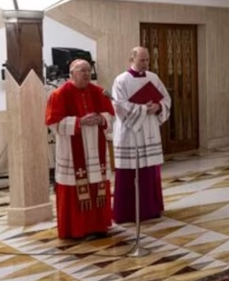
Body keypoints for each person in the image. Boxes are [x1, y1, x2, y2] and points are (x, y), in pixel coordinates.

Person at [46, 59, 115, 240]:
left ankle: (99, 226)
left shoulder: (99, 92)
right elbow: (53, 123)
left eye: (88, 70)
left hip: (96, 148)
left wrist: (102, 119)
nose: (86, 74)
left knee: (98, 184)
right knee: (74, 187)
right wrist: (79, 121)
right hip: (72, 150)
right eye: (82, 71)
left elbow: (110, 116)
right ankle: (76, 229)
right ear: (72, 74)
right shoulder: (59, 94)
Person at [111, 46, 171, 223]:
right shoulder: (121, 80)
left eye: (147, 60)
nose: (145, 63)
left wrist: (159, 107)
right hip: (130, 133)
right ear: (132, 60)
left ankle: (151, 209)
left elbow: (166, 99)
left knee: (149, 171)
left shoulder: (153, 78)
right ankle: (127, 212)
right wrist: (145, 109)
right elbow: (119, 106)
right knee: (129, 172)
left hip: (150, 129)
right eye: (142, 60)